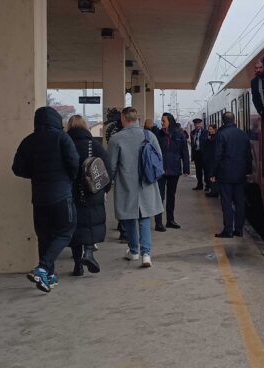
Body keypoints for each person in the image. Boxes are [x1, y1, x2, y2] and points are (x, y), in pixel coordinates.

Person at [12, 107, 79, 293]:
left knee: (44, 237)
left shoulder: (28, 141)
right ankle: (42, 268)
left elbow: (17, 168)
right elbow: (74, 163)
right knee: (66, 231)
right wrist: (68, 179)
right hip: (61, 195)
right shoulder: (62, 138)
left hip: (39, 197)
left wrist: (35, 175)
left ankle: (48, 276)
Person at [107, 107, 164, 268]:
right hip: (146, 182)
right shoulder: (149, 135)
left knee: (130, 217)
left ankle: (134, 251)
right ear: (137, 119)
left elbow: (111, 166)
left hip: (126, 183)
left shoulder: (116, 139)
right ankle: (146, 254)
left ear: (124, 119)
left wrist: (106, 185)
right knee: (145, 218)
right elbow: (159, 158)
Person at [67, 115, 109, 277]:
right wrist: (105, 189)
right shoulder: (94, 145)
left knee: (76, 226)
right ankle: (89, 252)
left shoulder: (65, 143)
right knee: (91, 223)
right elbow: (107, 167)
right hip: (92, 190)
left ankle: (77, 265)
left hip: (71, 191)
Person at [209, 112, 252, 238]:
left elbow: (217, 156)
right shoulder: (243, 134)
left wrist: (213, 173)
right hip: (240, 174)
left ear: (223, 121)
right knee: (240, 203)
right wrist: (248, 171)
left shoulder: (221, 135)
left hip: (225, 174)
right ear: (234, 120)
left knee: (226, 203)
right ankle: (239, 230)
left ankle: (228, 230)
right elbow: (248, 155)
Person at [153, 113, 189, 231]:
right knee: (160, 196)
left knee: (171, 196)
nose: (162, 123)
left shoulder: (179, 134)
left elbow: (185, 151)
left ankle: (170, 220)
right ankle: (158, 222)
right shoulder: (158, 134)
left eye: (164, 121)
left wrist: (186, 168)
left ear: (170, 121)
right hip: (160, 170)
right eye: (162, 121)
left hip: (174, 169)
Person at [201, 124, 218, 198]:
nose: (209, 130)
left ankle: (214, 191)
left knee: (212, 174)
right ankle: (212, 189)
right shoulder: (210, 137)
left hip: (213, 159)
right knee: (209, 174)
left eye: (211, 129)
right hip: (209, 159)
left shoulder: (216, 138)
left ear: (215, 129)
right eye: (209, 129)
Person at [189, 118, 207, 191]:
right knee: (198, 170)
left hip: (204, 154)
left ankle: (207, 185)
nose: (197, 125)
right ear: (194, 125)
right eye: (196, 124)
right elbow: (192, 144)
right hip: (197, 154)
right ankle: (199, 184)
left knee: (206, 170)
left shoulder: (205, 132)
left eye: (199, 124)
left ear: (201, 124)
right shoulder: (192, 133)